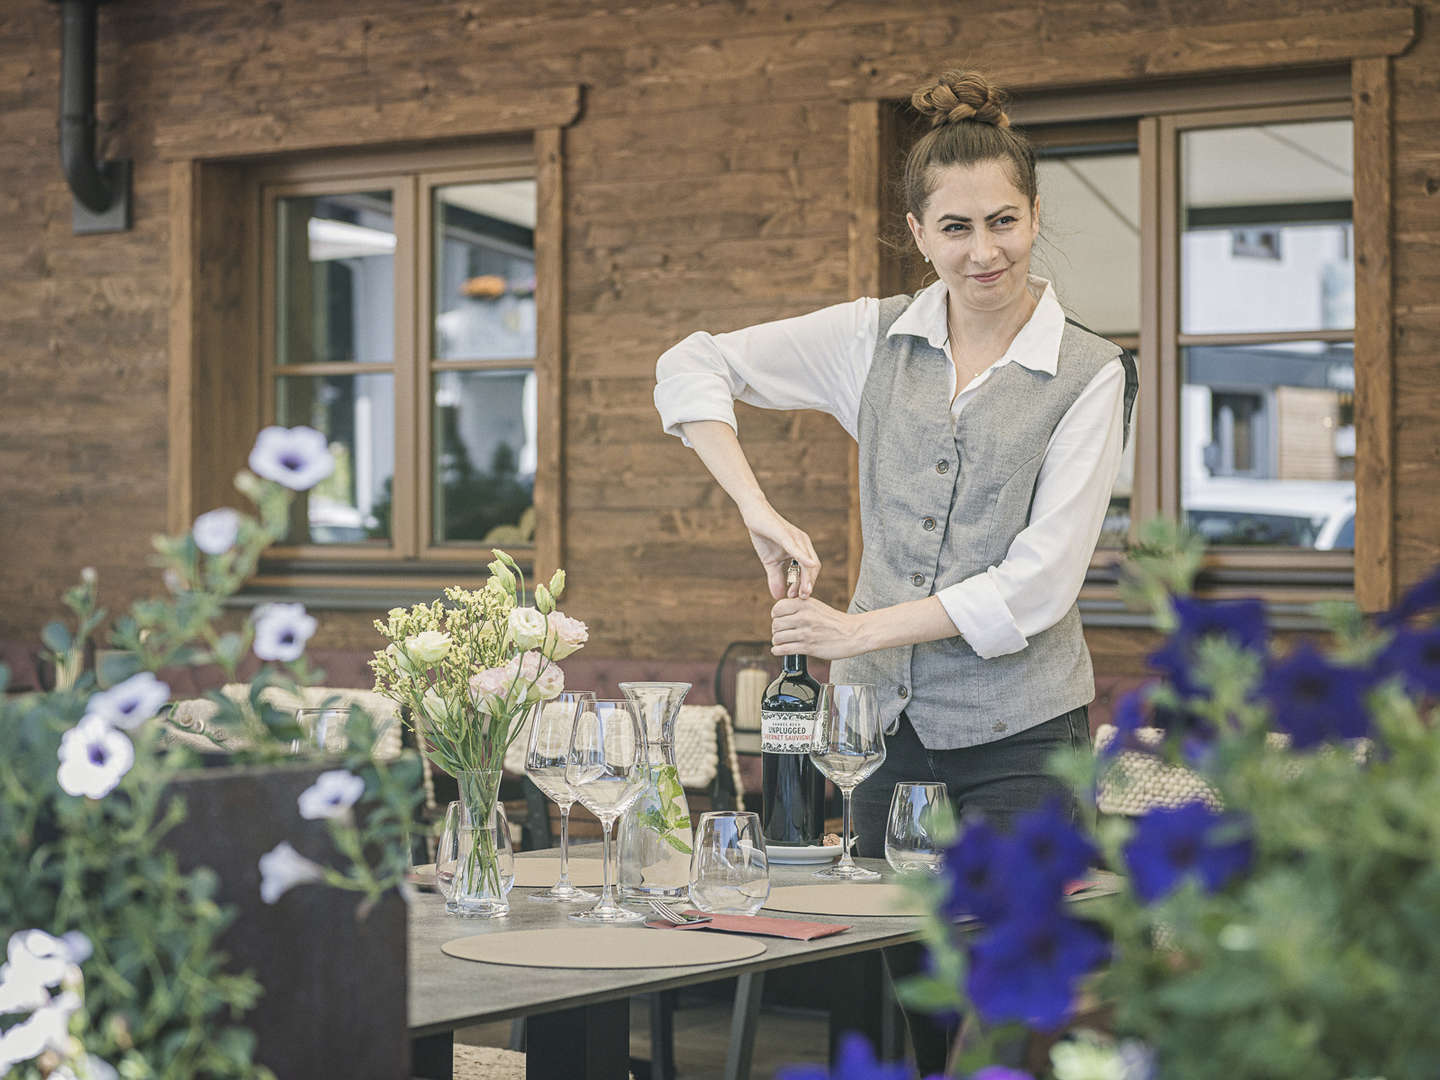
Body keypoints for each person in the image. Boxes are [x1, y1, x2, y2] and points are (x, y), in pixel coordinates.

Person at [653, 69, 1137, 1069]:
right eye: (954, 229)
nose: (983, 250)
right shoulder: (873, 338)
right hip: (878, 742)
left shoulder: (1091, 374)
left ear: (1036, 217)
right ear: (918, 234)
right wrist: (756, 507)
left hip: (1019, 744)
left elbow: (1039, 586)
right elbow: (691, 363)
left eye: (1003, 221)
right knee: (907, 997)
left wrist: (856, 633)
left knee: (1012, 1007)